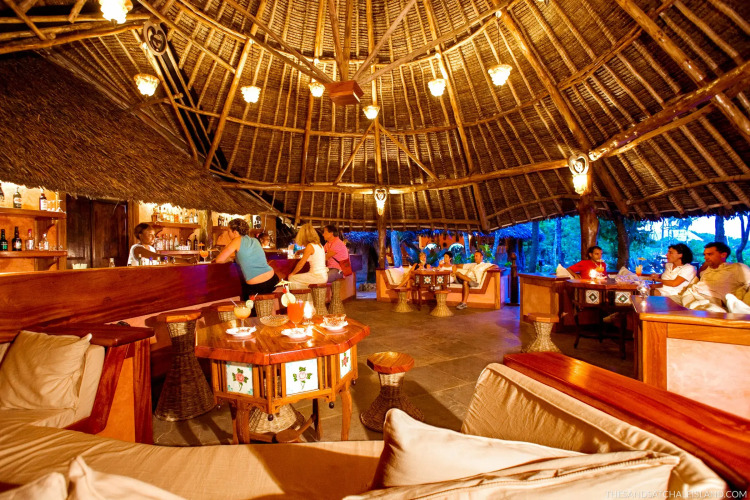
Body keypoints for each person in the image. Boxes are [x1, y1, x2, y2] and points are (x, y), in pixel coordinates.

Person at [215, 218, 279, 300]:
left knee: (246, 301)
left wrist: (229, 259)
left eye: (229, 231)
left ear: (235, 232)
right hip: (272, 279)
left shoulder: (236, 240)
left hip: (257, 285)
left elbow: (219, 260)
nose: (228, 233)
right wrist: (232, 259)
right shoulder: (255, 240)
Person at [680, 241, 750, 310]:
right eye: (705, 255)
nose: (705, 257)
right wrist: (708, 261)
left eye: (709, 254)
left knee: (706, 309)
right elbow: (698, 274)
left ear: (723, 255)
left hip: (711, 299)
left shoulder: (737, 267)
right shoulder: (708, 269)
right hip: (691, 294)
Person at [287, 223, 328, 289]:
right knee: (298, 280)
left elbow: (301, 263)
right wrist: (300, 251)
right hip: (323, 276)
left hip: (317, 276)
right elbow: (309, 250)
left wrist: (292, 273)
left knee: (292, 278)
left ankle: (299, 295)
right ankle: (306, 294)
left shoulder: (310, 246)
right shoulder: (319, 245)